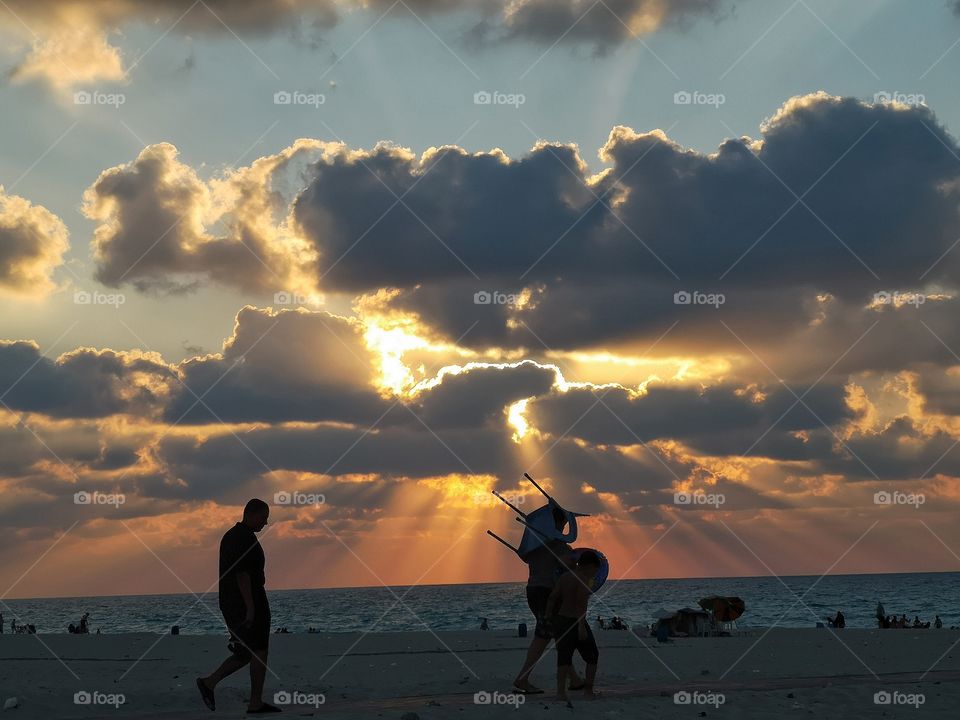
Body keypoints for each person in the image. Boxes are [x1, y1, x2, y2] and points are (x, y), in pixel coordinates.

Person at [197, 499, 279, 714]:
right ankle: (255, 703)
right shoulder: (241, 538)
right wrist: (251, 608)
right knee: (259, 650)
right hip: (245, 602)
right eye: (263, 517)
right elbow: (242, 575)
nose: (265, 523)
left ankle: (209, 683)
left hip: (234, 602)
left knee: (244, 652)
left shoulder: (236, 536)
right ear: (250, 514)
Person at [512, 504, 583, 694]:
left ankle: (574, 678)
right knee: (543, 636)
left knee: (557, 634)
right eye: (563, 522)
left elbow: (527, 559)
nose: (563, 527)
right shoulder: (557, 544)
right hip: (547, 593)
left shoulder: (535, 544)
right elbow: (567, 564)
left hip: (533, 590)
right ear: (556, 523)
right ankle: (522, 679)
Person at [546, 550, 601, 704]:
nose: (595, 573)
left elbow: (552, 598)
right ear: (590, 566)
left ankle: (560, 694)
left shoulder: (564, 577)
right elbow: (580, 604)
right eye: (595, 570)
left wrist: (548, 616)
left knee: (563, 658)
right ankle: (588, 692)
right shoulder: (583, 579)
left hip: (561, 620)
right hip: (576, 622)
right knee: (592, 657)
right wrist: (581, 627)